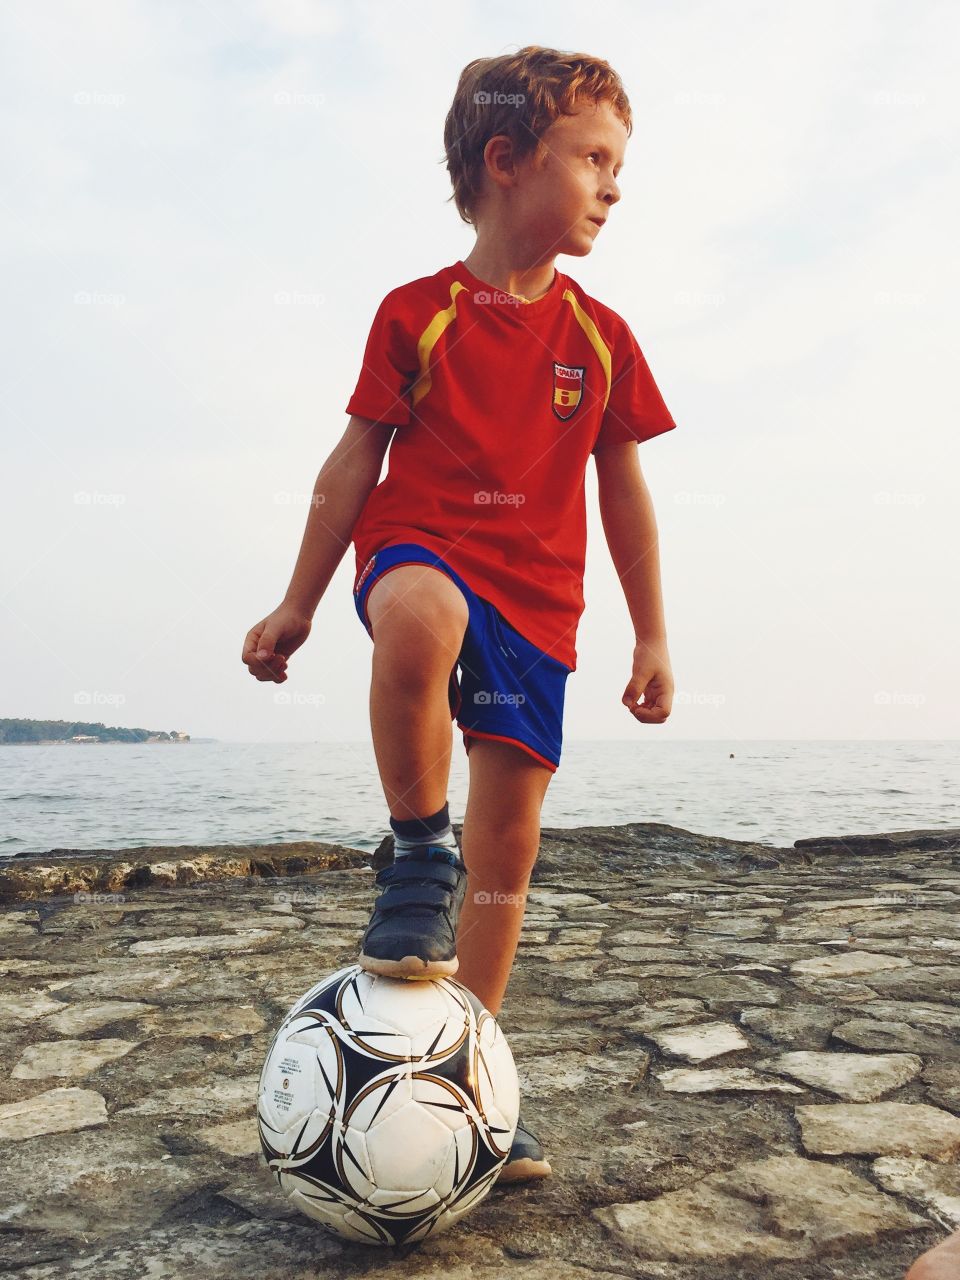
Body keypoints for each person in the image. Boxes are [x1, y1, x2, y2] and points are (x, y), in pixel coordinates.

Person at [242, 45, 678, 1185]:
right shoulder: (416, 313)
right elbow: (349, 464)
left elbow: (623, 493)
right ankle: (417, 847)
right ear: (505, 161)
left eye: (618, 165)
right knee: (422, 618)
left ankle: (469, 1070)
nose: (614, 185)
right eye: (594, 158)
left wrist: (653, 632)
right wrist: (297, 600)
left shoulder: (603, 336)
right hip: (419, 546)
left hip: (541, 601)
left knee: (515, 845)